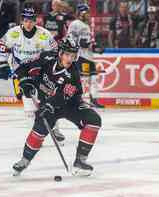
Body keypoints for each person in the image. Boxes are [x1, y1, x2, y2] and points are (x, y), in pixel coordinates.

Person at [12, 37, 101, 176]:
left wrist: (48, 105)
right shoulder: (46, 57)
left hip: (71, 104)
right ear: (60, 53)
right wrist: (25, 82)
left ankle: (80, 161)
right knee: (39, 130)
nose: (70, 59)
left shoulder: (73, 73)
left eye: (73, 55)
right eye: (67, 54)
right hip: (48, 104)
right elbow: (23, 67)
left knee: (94, 119)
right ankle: (24, 160)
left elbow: (62, 97)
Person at [0, 8, 66, 143]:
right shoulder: (13, 33)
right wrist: (2, 63)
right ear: (22, 20)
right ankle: (35, 135)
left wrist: (46, 60)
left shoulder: (44, 34)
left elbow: (55, 51)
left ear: (35, 21)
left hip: (39, 68)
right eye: (26, 20)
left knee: (48, 98)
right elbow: (3, 47)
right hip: (20, 68)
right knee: (27, 100)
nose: (28, 23)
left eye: (31, 21)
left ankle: (55, 128)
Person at [66, 3, 105, 108]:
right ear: (81, 13)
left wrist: (96, 47)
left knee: (94, 79)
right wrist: (79, 44)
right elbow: (69, 38)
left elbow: (89, 42)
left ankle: (94, 99)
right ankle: (80, 99)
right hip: (81, 57)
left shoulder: (87, 25)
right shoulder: (75, 24)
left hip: (89, 56)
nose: (88, 14)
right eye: (86, 12)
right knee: (84, 79)